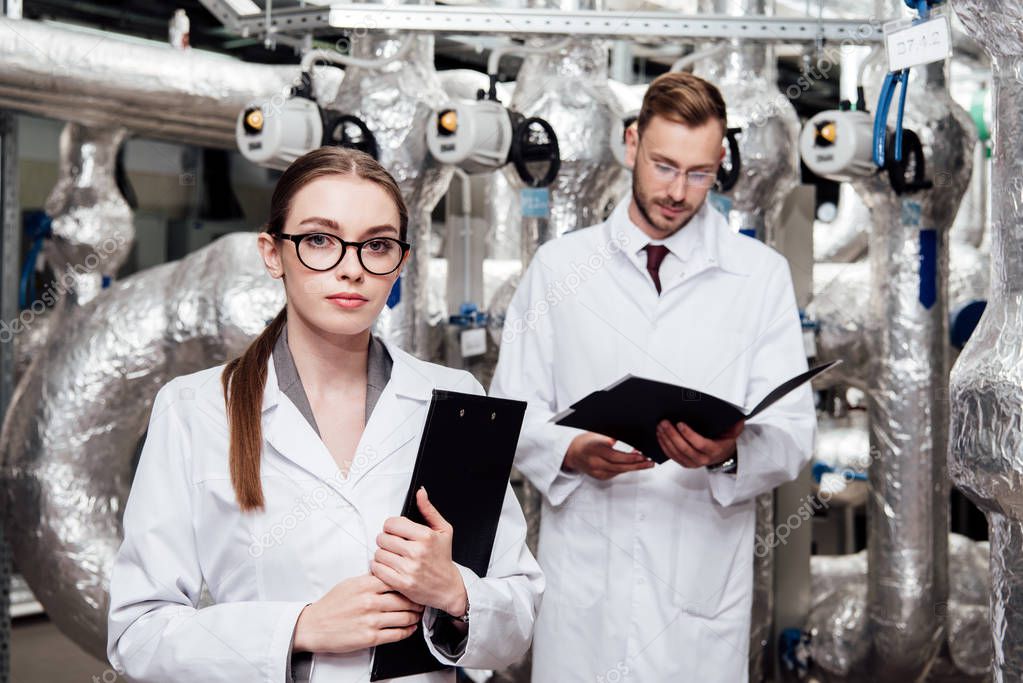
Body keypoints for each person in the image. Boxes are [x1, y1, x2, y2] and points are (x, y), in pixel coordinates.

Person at [107, 147, 543, 682]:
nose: (352, 269)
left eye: (377, 246)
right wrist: (299, 628)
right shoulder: (195, 410)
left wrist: (455, 593)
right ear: (272, 253)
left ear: (401, 263)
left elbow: (519, 618)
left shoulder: (456, 402)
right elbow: (138, 634)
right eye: (319, 240)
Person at [490, 71, 816, 682]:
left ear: (720, 162)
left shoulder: (760, 275)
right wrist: (571, 451)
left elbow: (793, 432)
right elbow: (509, 413)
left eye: (698, 173)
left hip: (698, 593)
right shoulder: (561, 267)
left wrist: (726, 454)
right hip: (586, 592)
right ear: (632, 144)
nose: (678, 191)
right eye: (664, 166)